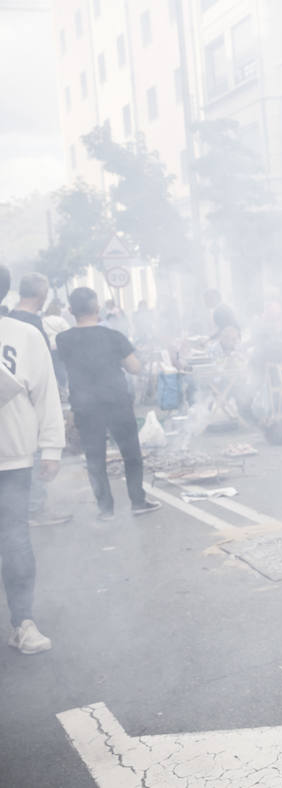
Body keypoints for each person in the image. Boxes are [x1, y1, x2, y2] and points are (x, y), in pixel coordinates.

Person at [0, 267, 65, 654]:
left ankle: (22, 622)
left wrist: (52, 447)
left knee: (15, 540)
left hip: (12, 458)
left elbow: (46, 393)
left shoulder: (24, 335)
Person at [56, 288, 160, 520]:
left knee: (95, 457)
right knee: (131, 453)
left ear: (71, 310)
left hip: (84, 406)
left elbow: (66, 368)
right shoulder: (113, 337)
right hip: (116, 402)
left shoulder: (63, 340)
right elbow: (134, 367)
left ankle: (105, 509)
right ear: (98, 308)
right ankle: (137, 502)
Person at [6, 275, 72, 527]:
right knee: (32, 453)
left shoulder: (9, 320)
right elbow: (42, 376)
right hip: (28, 404)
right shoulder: (31, 327)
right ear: (42, 294)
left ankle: (27, 509)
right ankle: (34, 508)